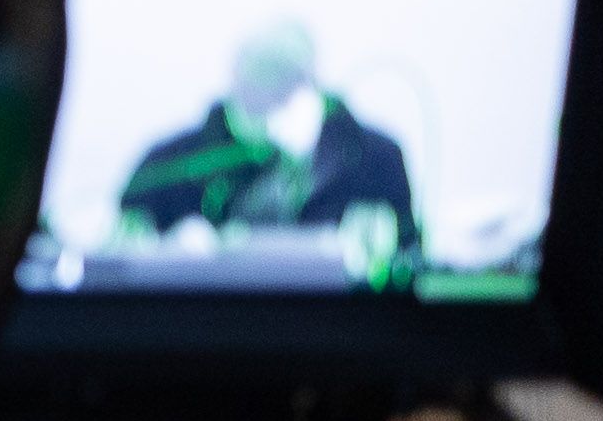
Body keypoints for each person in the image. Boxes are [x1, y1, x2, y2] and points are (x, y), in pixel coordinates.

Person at [112, 18, 420, 279]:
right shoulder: (170, 166)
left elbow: (413, 266)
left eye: (281, 94)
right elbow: (119, 258)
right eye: (254, 96)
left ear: (310, 88)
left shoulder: (377, 159)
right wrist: (166, 256)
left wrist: (383, 251)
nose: (268, 118)